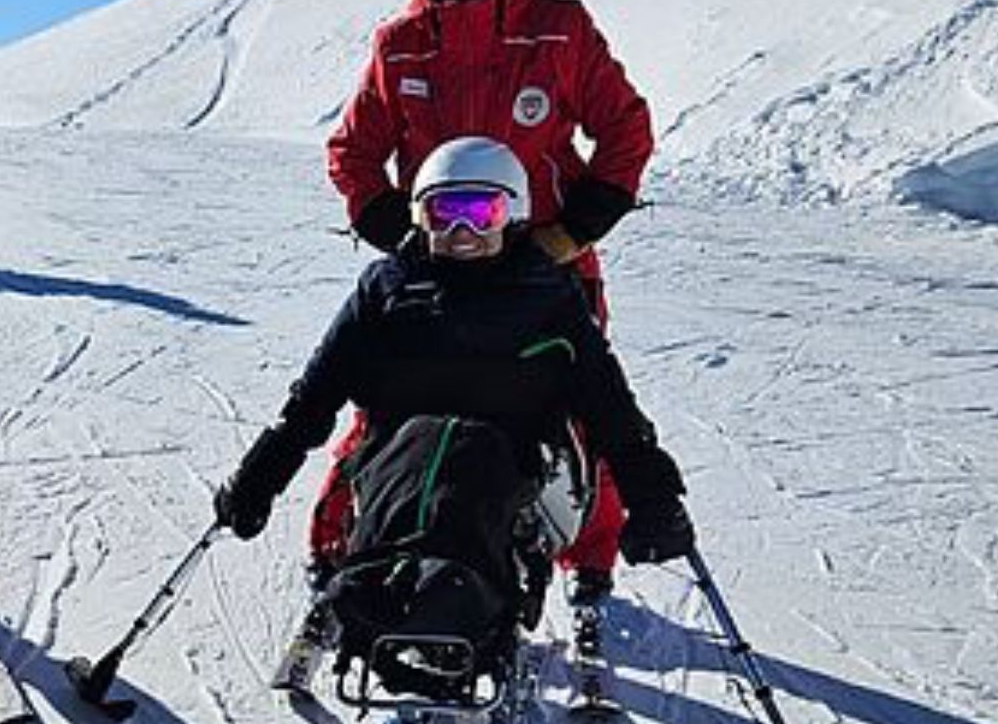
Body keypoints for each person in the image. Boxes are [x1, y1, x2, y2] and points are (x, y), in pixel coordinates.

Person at [314, 0, 655, 659]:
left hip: (544, 266)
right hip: (441, 260)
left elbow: (625, 130)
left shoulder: (560, 29)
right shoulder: (400, 44)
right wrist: (397, 233)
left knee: (577, 417)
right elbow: (355, 151)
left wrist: (571, 234)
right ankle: (347, 548)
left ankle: (587, 563)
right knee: (388, 410)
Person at [215, 138, 693, 680]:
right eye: (443, 213)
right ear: (420, 217)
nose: (460, 233)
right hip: (396, 455)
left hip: (513, 461)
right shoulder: (388, 288)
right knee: (411, 460)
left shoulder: (549, 294)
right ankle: (378, 588)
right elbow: (314, 397)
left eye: (480, 213)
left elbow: (608, 404)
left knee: (467, 461)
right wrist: (260, 475)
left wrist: (653, 495)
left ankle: (461, 604)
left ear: (510, 215)